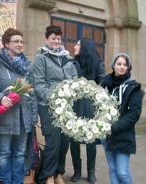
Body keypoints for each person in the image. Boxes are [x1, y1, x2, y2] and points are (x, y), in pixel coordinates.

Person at [0, 28, 38, 184]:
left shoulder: (27, 65)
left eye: (21, 41)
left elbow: (32, 91)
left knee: (20, 153)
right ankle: (5, 181)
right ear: (6, 44)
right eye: (16, 41)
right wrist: (0, 97)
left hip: (24, 116)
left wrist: (33, 116)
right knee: (4, 153)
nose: (20, 44)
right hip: (5, 115)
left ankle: (18, 181)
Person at [33, 25, 78, 184]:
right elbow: (38, 84)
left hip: (67, 106)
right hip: (48, 106)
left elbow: (74, 79)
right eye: (53, 38)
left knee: (64, 142)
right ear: (47, 39)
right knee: (52, 142)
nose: (56, 41)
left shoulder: (67, 58)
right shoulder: (41, 57)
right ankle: (48, 176)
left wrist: (73, 91)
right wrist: (53, 99)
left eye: (59, 39)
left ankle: (59, 173)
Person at [100, 53, 144, 184]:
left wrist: (114, 127)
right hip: (107, 135)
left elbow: (134, 114)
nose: (122, 67)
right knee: (113, 169)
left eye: (125, 65)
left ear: (128, 67)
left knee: (122, 172)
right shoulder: (105, 84)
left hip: (123, 135)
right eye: (119, 64)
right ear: (113, 66)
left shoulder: (133, 88)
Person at [70, 38, 106, 183]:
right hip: (74, 106)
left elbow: (103, 83)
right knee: (74, 140)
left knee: (91, 140)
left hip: (90, 107)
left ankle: (91, 171)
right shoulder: (72, 63)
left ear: (85, 47)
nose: (74, 47)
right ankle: (77, 171)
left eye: (78, 44)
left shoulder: (98, 64)